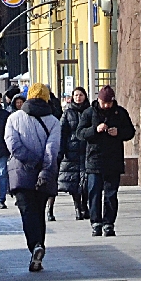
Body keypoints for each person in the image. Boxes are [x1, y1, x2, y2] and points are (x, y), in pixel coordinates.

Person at [4, 83, 61, 272]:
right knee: (39, 211)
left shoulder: (13, 118)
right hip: (44, 174)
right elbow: (52, 150)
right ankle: (39, 247)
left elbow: (13, 145)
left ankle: (35, 246)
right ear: (46, 98)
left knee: (27, 212)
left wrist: (30, 160)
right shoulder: (53, 121)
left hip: (20, 173)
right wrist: (44, 167)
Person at [77, 85, 136, 237]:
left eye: (109, 103)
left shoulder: (120, 112)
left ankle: (109, 223)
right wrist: (94, 130)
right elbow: (80, 133)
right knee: (94, 192)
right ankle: (96, 223)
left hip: (113, 160)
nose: (106, 106)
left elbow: (130, 131)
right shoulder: (89, 113)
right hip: (94, 160)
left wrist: (119, 132)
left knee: (111, 194)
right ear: (98, 100)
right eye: (104, 103)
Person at [58, 87, 91, 220]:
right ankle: (77, 206)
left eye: (81, 95)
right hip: (71, 151)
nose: (78, 97)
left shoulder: (90, 111)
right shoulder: (67, 112)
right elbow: (62, 132)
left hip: (87, 150)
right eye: (76, 95)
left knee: (87, 180)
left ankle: (85, 204)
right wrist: (61, 151)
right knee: (74, 182)